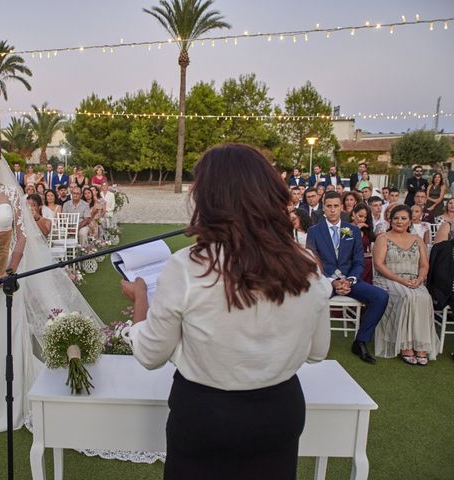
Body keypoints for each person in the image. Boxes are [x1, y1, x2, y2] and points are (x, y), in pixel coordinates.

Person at [121, 143, 330, 480]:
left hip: (207, 417)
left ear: (209, 200)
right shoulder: (305, 264)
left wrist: (139, 301)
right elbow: (318, 352)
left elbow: (149, 354)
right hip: (278, 411)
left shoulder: (188, 267)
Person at [0, 135, 101, 433]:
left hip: (8, 276)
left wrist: (12, 269)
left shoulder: (10, 192)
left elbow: (21, 235)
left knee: (10, 336)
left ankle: (16, 403)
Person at [306, 191, 389, 364]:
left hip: (349, 280)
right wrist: (332, 281)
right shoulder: (314, 231)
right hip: (325, 281)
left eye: (336, 206)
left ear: (341, 207)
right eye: (328, 206)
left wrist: (350, 280)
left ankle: (360, 342)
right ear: (323, 208)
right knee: (308, 298)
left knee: (380, 297)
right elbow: (313, 262)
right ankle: (310, 344)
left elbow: (359, 261)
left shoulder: (351, 230)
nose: (332, 210)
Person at [372, 204, 439, 364]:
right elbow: (379, 264)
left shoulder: (417, 240)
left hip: (414, 280)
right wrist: (401, 280)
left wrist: (420, 278)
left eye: (403, 218)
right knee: (407, 296)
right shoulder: (383, 238)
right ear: (390, 220)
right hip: (388, 279)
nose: (399, 221)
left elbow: (424, 265)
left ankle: (421, 345)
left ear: (410, 221)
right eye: (396, 218)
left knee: (424, 298)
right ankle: (405, 345)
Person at [349, 203, 375, 284]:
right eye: (360, 216)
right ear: (353, 214)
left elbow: (370, 248)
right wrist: (356, 229)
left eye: (365, 217)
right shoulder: (345, 228)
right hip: (351, 260)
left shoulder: (365, 230)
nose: (363, 220)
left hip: (366, 258)